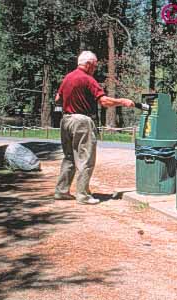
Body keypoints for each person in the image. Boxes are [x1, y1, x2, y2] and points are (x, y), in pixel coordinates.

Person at [54, 51, 135, 204]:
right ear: (89, 64)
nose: (95, 69)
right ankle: (83, 195)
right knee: (86, 158)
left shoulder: (68, 77)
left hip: (66, 120)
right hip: (82, 121)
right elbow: (104, 102)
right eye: (95, 65)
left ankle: (61, 191)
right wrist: (122, 101)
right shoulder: (87, 79)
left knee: (69, 157)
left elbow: (58, 98)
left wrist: (71, 103)